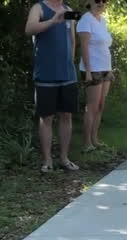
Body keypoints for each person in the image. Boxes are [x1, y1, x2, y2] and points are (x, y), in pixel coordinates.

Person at [25, 0, 80, 173]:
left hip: (67, 75)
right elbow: (29, 29)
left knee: (66, 116)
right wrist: (52, 21)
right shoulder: (39, 8)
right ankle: (47, 160)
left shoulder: (68, 9)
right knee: (46, 118)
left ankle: (64, 158)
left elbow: (72, 39)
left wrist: (70, 63)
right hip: (46, 74)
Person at [77, 0, 113, 153]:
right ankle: (86, 144)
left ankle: (95, 139)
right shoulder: (85, 20)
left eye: (104, 1)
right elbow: (84, 47)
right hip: (92, 69)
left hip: (105, 68)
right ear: (89, 2)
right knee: (91, 107)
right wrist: (88, 71)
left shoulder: (102, 20)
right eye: (97, 1)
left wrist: (110, 70)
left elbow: (105, 47)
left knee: (100, 106)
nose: (101, 4)